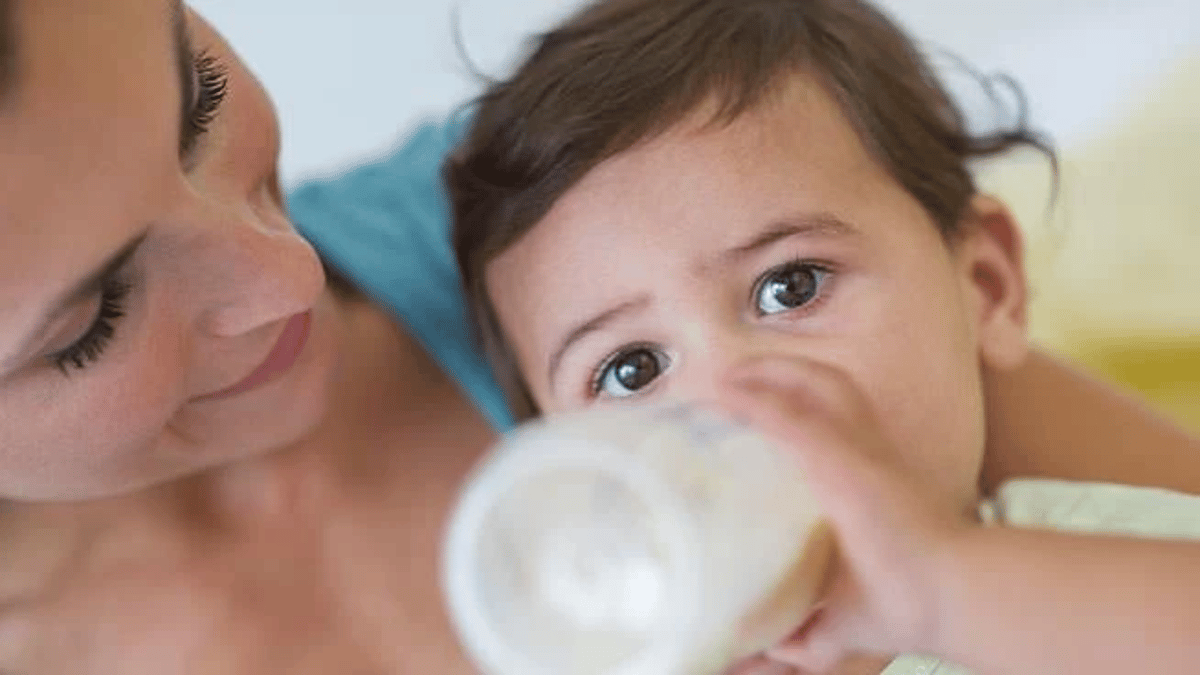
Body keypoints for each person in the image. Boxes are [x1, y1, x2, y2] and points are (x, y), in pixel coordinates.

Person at [0, 1, 1193, 674]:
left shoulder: (593, 210)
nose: (287, 274)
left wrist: (956, 597)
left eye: (197, 99)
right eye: (92, 323)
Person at [446, 0, 1200, 673]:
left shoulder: (1105, 579)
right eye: (631, 370)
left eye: (791, 286)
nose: (723, 400)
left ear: (986, 287)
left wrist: (943, 588)